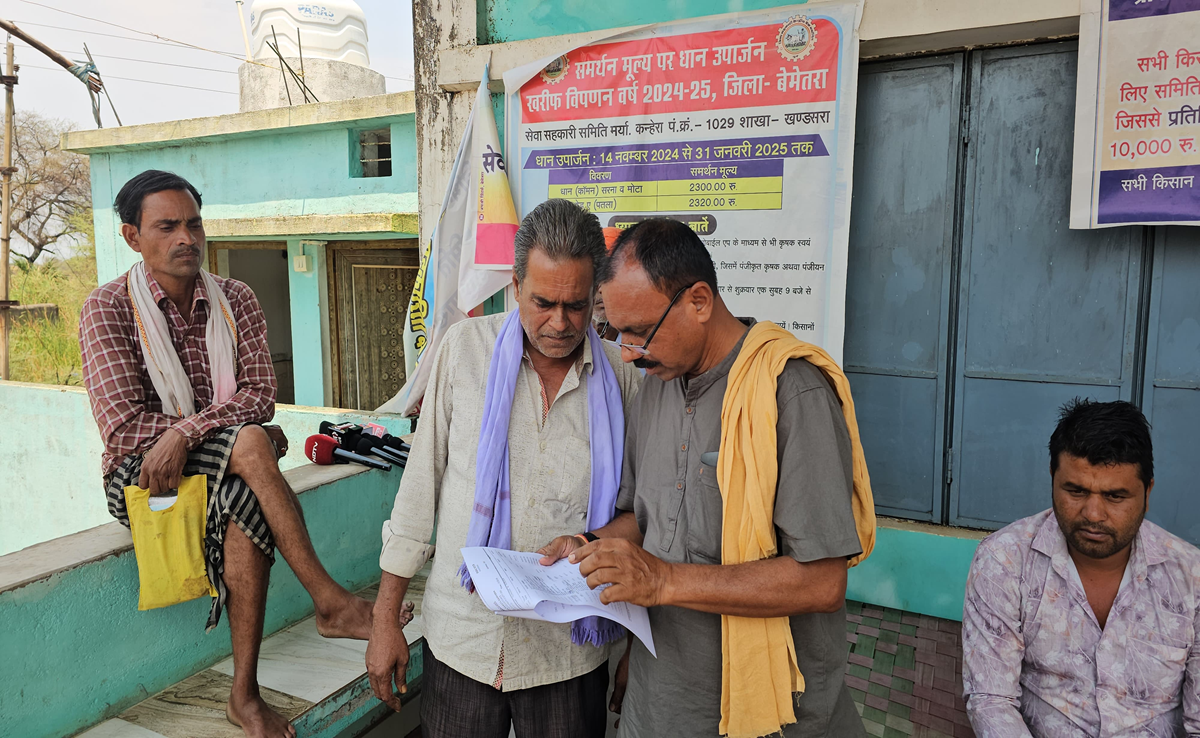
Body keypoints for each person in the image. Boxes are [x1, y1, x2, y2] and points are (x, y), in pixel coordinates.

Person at [79, 170, 407, 738]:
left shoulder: (235, 299)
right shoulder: (108, 308)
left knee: (243, 493)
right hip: (141, 474)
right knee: (253, 441)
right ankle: (328, 602)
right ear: (133, 236)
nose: (187, 238)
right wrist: (227, 433)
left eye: (194, 224)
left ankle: (244, 693)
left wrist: (190, 433)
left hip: (219, 458)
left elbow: (260, 395)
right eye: (167, 226)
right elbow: (125, 427)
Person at [539, 218, 876, 738]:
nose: (627, 352)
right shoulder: (656, 385)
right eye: (616, 332)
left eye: (640, 331)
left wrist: (664, 581)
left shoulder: (790, 392)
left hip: (769, 714)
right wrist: (589, 546)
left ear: (699, 301)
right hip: (658, 701)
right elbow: (645, 519)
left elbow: (822, 581)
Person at [366, 199, 643, 738]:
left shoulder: (623, 378)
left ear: (596, 296)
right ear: (516, 286)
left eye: (576, 305)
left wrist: (632, 645)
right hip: (463, 640)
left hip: (566, 653)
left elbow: (641, 514)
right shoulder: (463, 350)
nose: (559, 323)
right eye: (543, 302)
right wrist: (384, 621)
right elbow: (420, 487)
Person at [962, 399, 1200, 737]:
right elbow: (991, 701)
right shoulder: (1004, 561)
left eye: (1115, 496)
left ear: (1147, 492)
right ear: (1052, 478)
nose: (1093, 513)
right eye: (1075, 491)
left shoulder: (1190, 576)